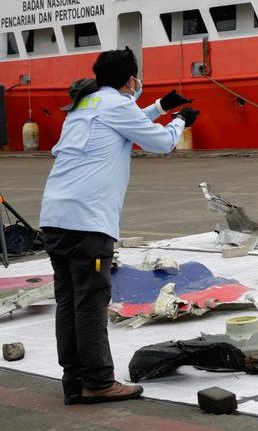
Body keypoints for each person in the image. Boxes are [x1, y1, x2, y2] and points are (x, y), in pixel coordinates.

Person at [40, 48, 199, 405]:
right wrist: (181, 120)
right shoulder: (117, 105)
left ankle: (76, 382)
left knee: (68, 301)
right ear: (131, 80)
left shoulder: (85, 105)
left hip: (55, 219)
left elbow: (123, 122)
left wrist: (158, 106)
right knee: (92, 302)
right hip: (88, 224)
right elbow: (160, 142)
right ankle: (98, 382)